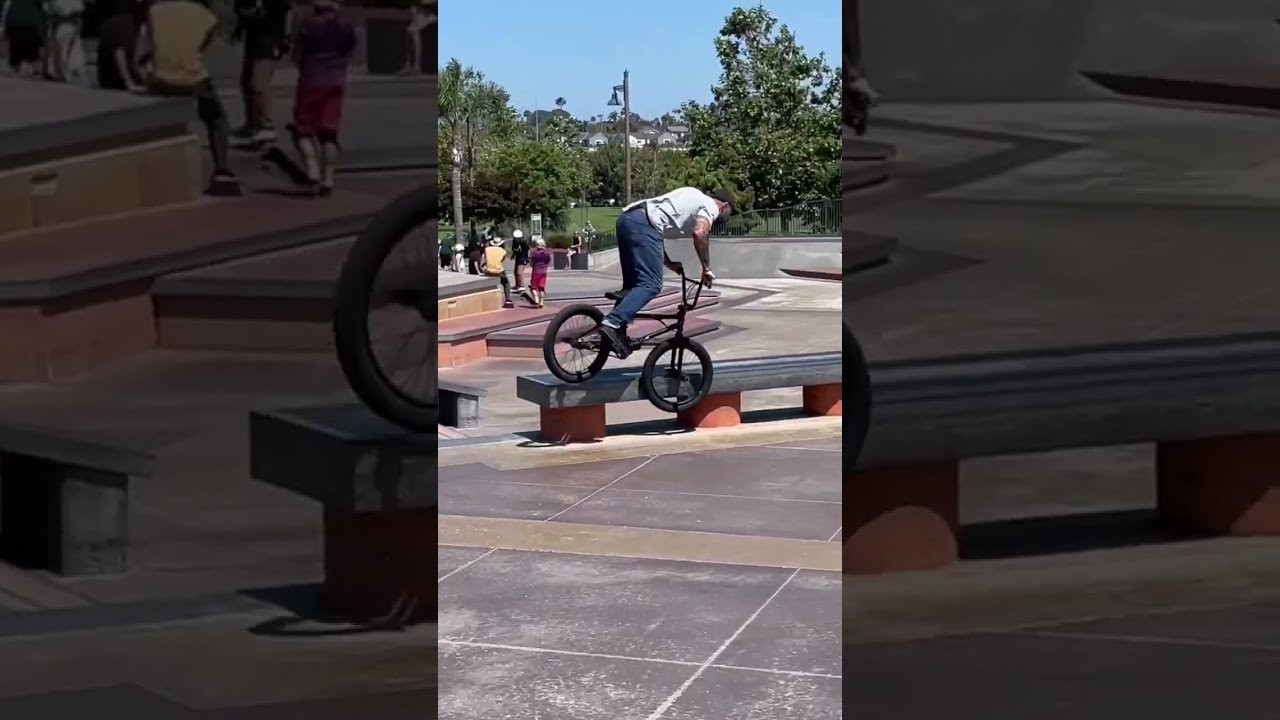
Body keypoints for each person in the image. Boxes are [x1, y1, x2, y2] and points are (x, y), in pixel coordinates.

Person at [596, 187, 733, 357]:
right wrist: (706, 268)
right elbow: (700, 233)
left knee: (632, 288)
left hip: (627, 220)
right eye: (729, 213)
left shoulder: (692, 197)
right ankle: (612, 323)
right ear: (724, 206)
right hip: (644, 224)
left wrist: (670, 263)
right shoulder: (710, 206)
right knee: (651, 284)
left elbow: (655, 235)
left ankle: (616, 334)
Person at [136, 0, 240, 195]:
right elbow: (208, 39)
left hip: (161, 79)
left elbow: (144, 50)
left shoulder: (155, 11)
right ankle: (221, 170)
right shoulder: (203, 14)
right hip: (193, 80)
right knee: (217, 120)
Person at [288, 0, 355, 195]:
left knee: (302, 129)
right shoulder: (345, 27)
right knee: (328, 132)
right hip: (336, 80)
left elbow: (296, 54)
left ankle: (312, 169)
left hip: (311, 79)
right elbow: (350, 51)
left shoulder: (308, 25)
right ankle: (328, 178)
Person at [232, 0, 290, 144]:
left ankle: (266, 124)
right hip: (254, 37)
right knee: (246, 82)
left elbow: (286, 10)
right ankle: (252, 123)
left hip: (269, 37)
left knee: (259, 83)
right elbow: (242, 9)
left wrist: (286, 38)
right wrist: (239, 27)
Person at [96, 0, 143, 90]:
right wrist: (129, 83)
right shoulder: (129, 23)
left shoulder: (108, 23)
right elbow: (120, 52)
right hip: (120, 84)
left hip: (106, 82)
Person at [1, 0, 43, 76]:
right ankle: (32, 66)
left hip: (15, 21)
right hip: (27, 21)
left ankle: (15, 65)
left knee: (15, 45)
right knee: (31, 44)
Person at [481, 235, 513, 307]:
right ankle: (508, 299)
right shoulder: (503, 251)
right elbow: (502, 260)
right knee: (506, 283)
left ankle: (487, 300)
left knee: (487, 284)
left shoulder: (487, 249)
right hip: (499, 271)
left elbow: (485, 260)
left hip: (488, 270)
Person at [528, 237, 551, 308]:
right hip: (544, 271)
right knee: (541, 288)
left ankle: (536, 298)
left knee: (533, 287)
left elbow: (531, 262)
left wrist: (533, 266)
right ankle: (541, 302)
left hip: (536, 271)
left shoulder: (535, 253)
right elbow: (548, 261)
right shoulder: (547, 253)